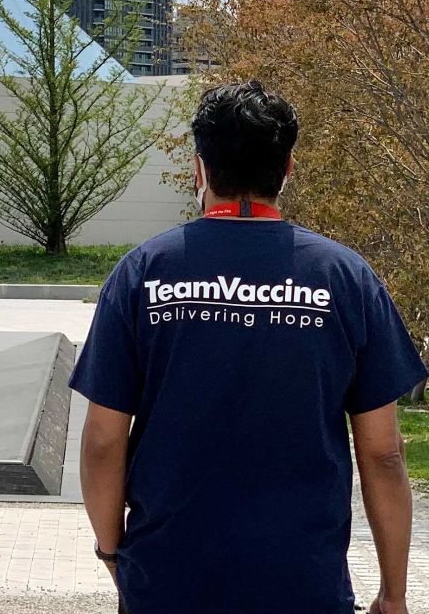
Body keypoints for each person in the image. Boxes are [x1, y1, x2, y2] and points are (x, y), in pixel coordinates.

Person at [70, 80, 426, 614]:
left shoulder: (143, 273)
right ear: (286, 170)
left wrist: (112, 551)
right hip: (302, 583)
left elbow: (102, 442)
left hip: (166, 581)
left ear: (199, 170)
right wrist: (393, 595)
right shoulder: (345, 278)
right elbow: (382, 453)